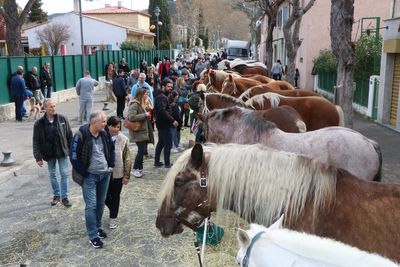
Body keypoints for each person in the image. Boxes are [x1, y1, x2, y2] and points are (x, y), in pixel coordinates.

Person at [69, 111, 115, 249]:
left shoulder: (105, 134)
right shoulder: (80, 135)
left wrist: (111, 165)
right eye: (103, 121)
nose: (105, 124)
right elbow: (74, 157)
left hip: (104, 175)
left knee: (100, 203)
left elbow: (111, 150)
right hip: (90, 177)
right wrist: (85, 173)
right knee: (91, 205)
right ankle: (93, 235)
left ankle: (97, 227)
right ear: (94, 122)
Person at [33, 99, 73, 207]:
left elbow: (69, 135)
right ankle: (57, 195)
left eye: (54, 106)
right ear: (45, 108)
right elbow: (36, 141)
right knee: (52, 174)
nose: (53, 108)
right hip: (49, 153)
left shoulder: (62, 119)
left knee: (64, 174)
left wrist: (72, 150)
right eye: (51, 106)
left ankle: (64, 197)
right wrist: (38, 157)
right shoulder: (39, 124)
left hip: (62, 151)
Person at [105, 116, 131, 229]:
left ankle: (113, 218)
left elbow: (127, 158)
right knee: (105, 196)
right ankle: (112, 209)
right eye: (115, 127)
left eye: (118, 127)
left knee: (116, 196)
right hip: (104, 173)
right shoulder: (102, 137)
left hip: (118, 173)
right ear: (108, 126)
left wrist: (126, 175)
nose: (117, 129)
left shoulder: (123, 139)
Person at [128, 88, 154, 177]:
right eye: (146, 94)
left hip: (143, 131)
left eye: (147, 94)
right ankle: (135, 169)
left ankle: (140, 169)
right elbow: (131, 117)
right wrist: (145, 115)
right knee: (141, 150)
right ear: (140, 95)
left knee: (143, 150)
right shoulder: (134, 104)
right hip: (137, 131)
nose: (147, 95)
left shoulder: (143, 103)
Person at [153, 78, 179, 168]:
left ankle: (157, 162)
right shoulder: (161, 97)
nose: (170, 88)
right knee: (168, 144)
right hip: (164, 124)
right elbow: (162, 111)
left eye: (171, 87)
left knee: (161, 143)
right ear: (163, 86)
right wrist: (173, 120)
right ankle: (167, 164)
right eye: (168, 86)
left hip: (162, 123)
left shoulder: (162, 96)